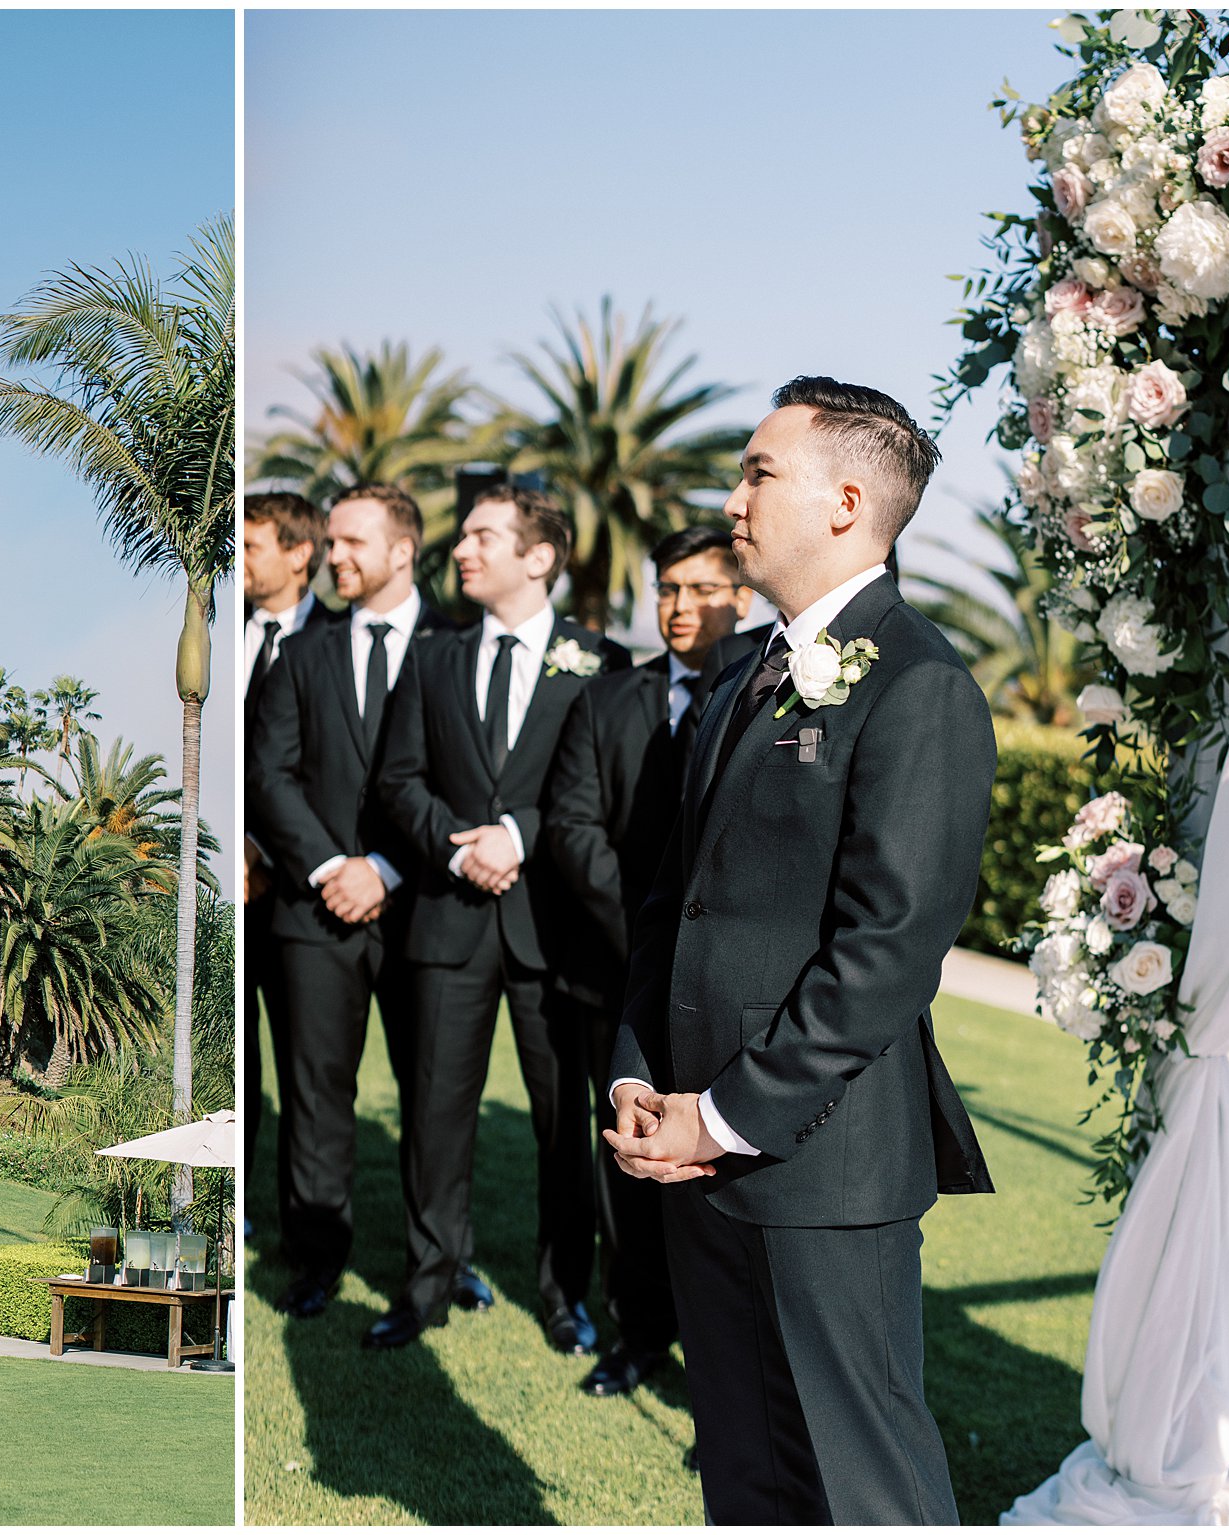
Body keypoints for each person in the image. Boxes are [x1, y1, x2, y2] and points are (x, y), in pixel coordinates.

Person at [605, 377, 994, 1524]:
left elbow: (884, 951)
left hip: (818, 1169)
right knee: (745, 1475)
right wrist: (635, 1074)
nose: (731, 498)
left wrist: (721, 1115)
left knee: (860, 1484)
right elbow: (670, 901)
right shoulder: (735, 681)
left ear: (843, 498)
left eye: (755, 471)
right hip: (687, 1153)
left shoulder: (919, 685)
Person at [371, 485, 631, 1354]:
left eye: (484, 535)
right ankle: (430, 1282)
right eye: (464, 535)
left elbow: (599, 794)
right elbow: (397, 780)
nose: (463, 550)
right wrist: (457, 846)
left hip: (552, 931)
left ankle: (565, 1295)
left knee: (564, 1124)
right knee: (435, 1114)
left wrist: (521, 834)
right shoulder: (432, 659)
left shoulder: (601, 662)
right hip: (446, 925)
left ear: (540, 556)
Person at [543, 524, 752, 1399]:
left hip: (729, 990)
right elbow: (570, 825)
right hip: (618, 973)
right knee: (627, 1163)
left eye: (701, 588)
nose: (679, 606)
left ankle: (725, 1370)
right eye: (668, 588)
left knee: (724, 1177)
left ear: (740, 597)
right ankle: (637, 1332)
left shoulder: (763, 697)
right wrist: (648, 940)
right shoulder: (607, 698)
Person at [247, 482, 448, 1319]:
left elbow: (472, 779)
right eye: (330, 542)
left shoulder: (459, 645)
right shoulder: (302, 652)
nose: (336, 557)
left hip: (428, 907)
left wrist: (389, 869)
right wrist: (334, 865)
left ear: (402, 550)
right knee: (316, 1094)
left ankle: (436, 1268)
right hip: (313, 908)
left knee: (433, 1097)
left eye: (353, 543)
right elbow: (270, 774)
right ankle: (315, 1261)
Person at [242, 491, 330, 1236]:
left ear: (299, 553)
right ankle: (234, 1218)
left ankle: (305, 1237)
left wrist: (269, 850)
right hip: (231, 894)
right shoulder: (224, 631)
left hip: (305, 892)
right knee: (241, 1072)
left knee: (309, 1073)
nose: (239, 559)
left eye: (252, 545)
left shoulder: (338, 640)